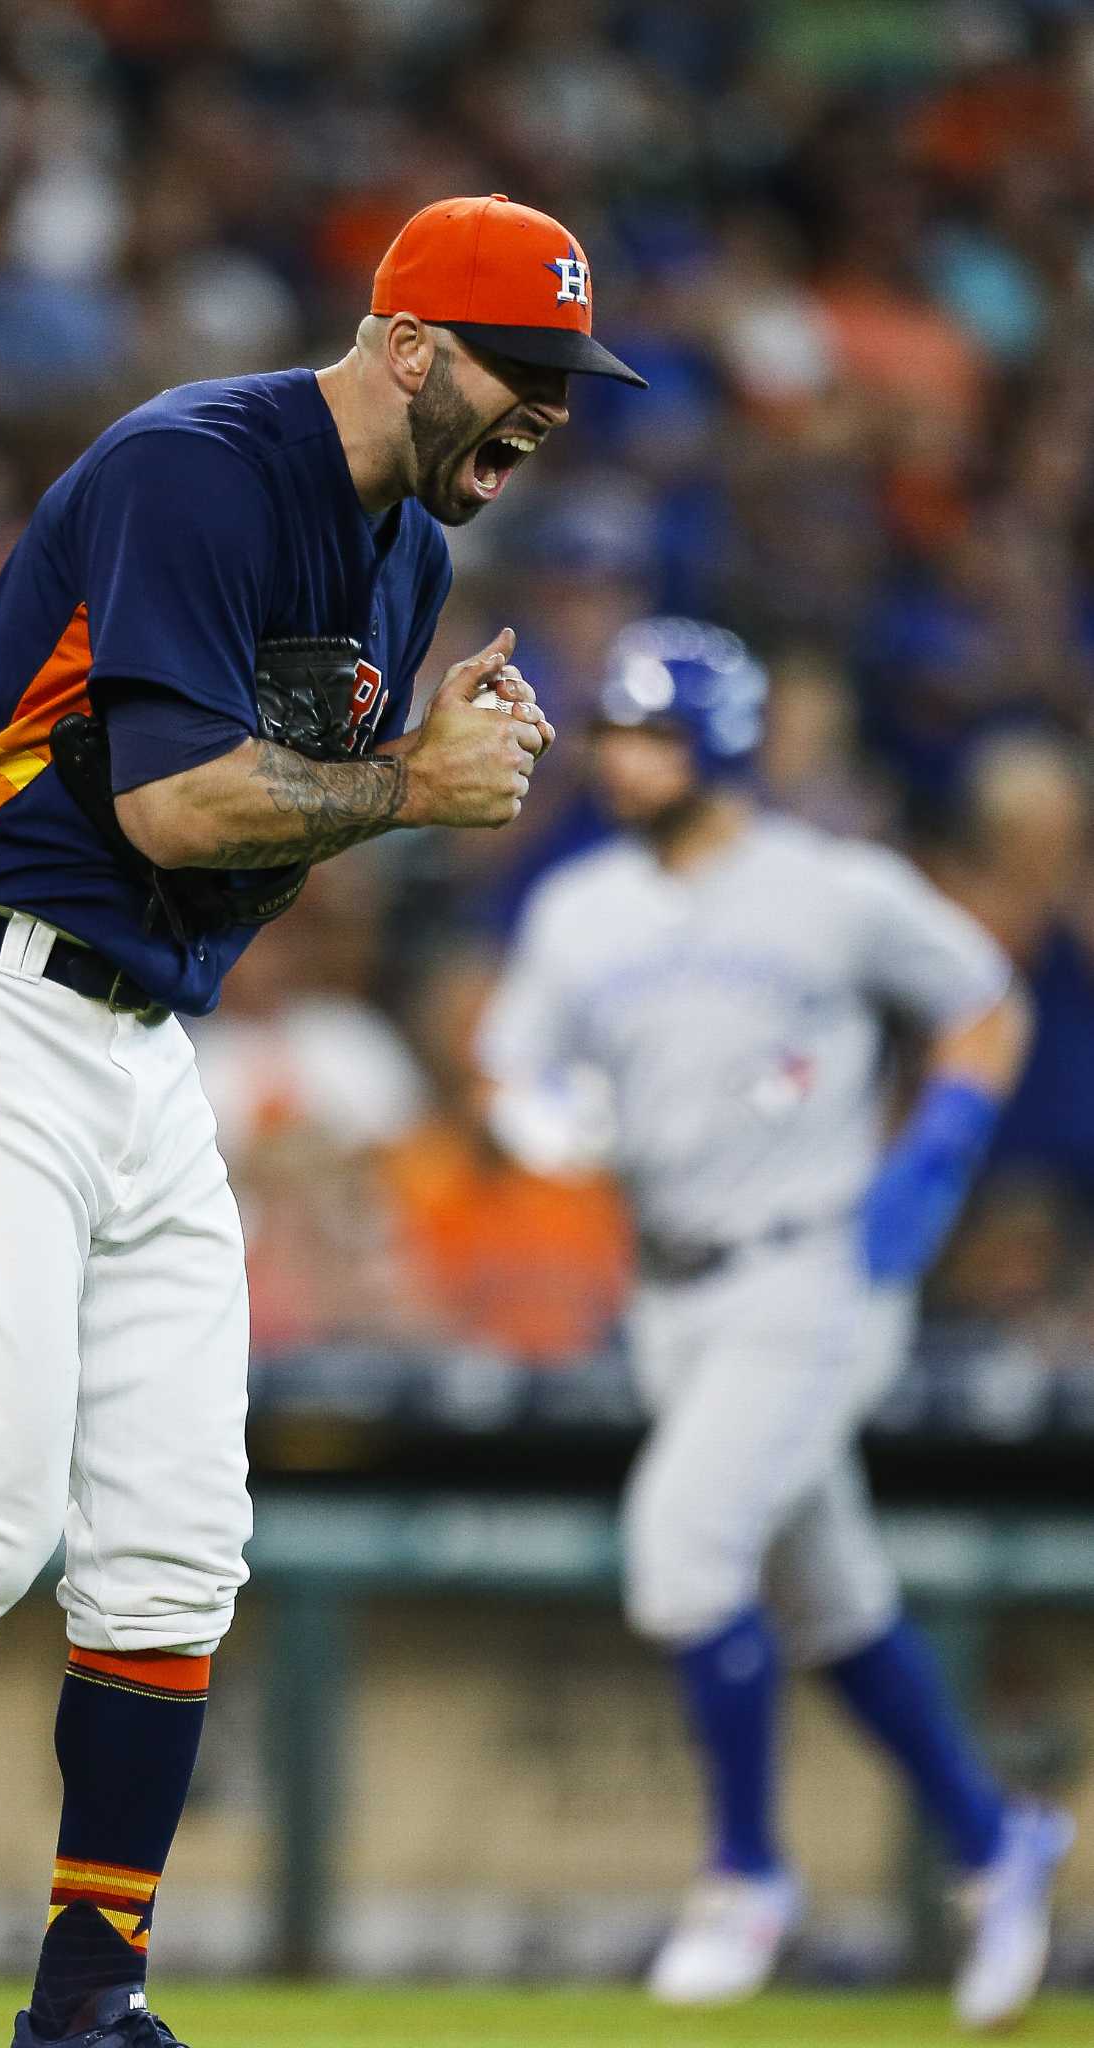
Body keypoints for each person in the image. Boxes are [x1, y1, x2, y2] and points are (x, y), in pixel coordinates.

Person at [0, 194, 645, 2048]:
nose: (544, 409)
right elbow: (168, 812)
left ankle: (88, 2002)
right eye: (516, 367)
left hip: (149, 1044)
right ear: (406, 344)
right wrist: (407, 784)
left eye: (567, 377)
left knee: (173, 1547)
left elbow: (258, 839)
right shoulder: (202, 467)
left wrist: (389, 782)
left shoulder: (401, 558)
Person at [479, 616, 1073, 2030]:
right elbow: (512, 1066)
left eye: (653, 734)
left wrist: (934, 1150)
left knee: (681, 1551)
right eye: (614, 732)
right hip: (667, 1293)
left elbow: (985, 1006)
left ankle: (744, 1875)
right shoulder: (580, 912)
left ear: (722, 744)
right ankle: (997, 1845)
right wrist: (542, 1113)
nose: (623, 760)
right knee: (828, 1598)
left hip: (810, 1275)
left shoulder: (826, 888)